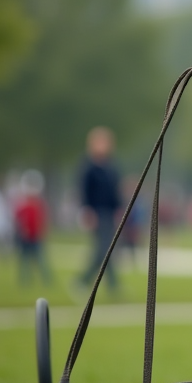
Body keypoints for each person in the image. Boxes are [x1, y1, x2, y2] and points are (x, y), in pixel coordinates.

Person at [78, 126, 122, 294]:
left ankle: (111, 285)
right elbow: (85, 191)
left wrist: (118, 209)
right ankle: (84, 279)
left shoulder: (110, 166)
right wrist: (87, 211)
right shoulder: (89, 167)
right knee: (103, 249)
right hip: (96, 212)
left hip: (109, 212)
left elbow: (114, 191)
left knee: (108, 248)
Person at [13, 169, 53, 287]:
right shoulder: (23, 204)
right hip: (25, 237)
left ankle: (46, 280)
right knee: (24, 261)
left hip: (35, 236)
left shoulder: (38, 205)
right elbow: (19, 219)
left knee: (40, 260)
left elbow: (42, 220)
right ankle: (24, 281)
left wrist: (42, 231)